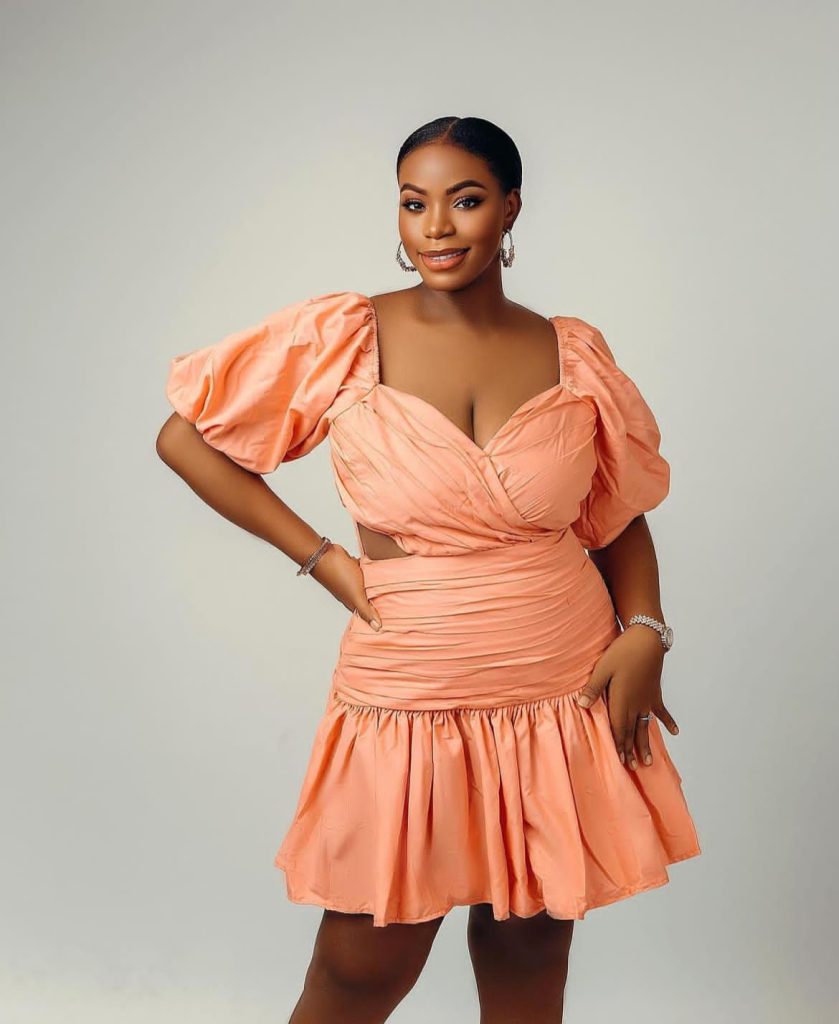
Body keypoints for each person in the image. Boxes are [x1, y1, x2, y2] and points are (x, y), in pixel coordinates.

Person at [156, 115, 701, 1024]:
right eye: (414, 204)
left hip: (559, 677)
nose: (437, 226)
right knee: (361, 961)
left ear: (509, 209)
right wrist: (324, 561)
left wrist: (644, 630)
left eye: (465, 200)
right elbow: (187, 439)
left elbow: (616, 514)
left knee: (531, 945)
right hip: (410, 677)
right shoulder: (345, 336)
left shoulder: (570, 351)